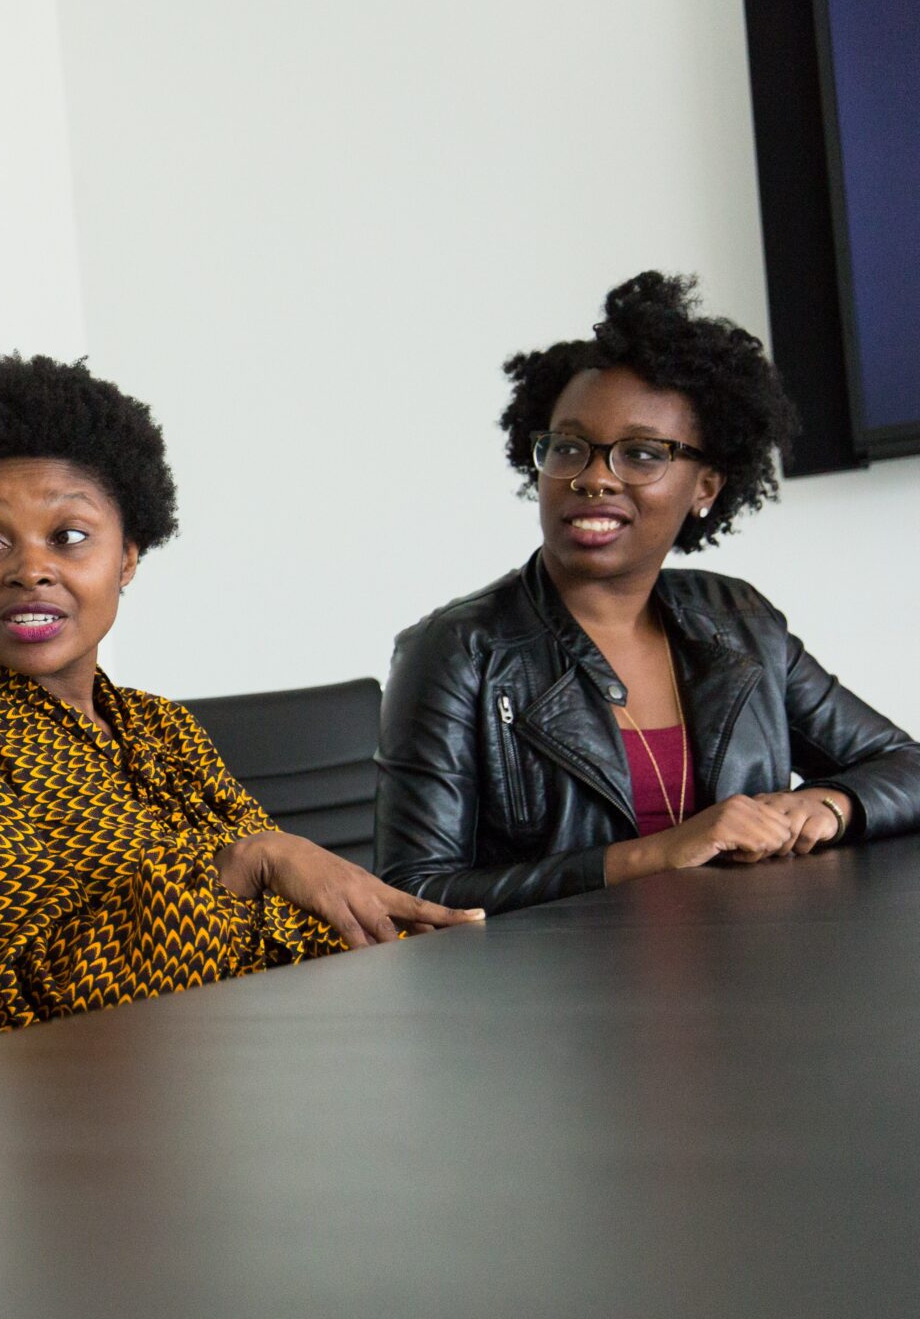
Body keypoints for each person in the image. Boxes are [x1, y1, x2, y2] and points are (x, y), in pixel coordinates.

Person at [0, 354, 479, 1038]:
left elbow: (289, 910)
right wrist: (242, 864)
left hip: (264, 1053)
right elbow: (9, 1012)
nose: (28, 569)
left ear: (128, 556)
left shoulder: (161, 727)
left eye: (69, 537)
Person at [376, 271, 920, 913]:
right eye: (570, 448)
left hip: (754, 971)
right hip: (560, 1000)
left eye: (640, 455)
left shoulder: (738, 622)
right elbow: (410, 895)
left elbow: (903, 764)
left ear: (707, 487)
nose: (595, 478)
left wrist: (830, 804)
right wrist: (652, 857)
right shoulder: (460, 651)